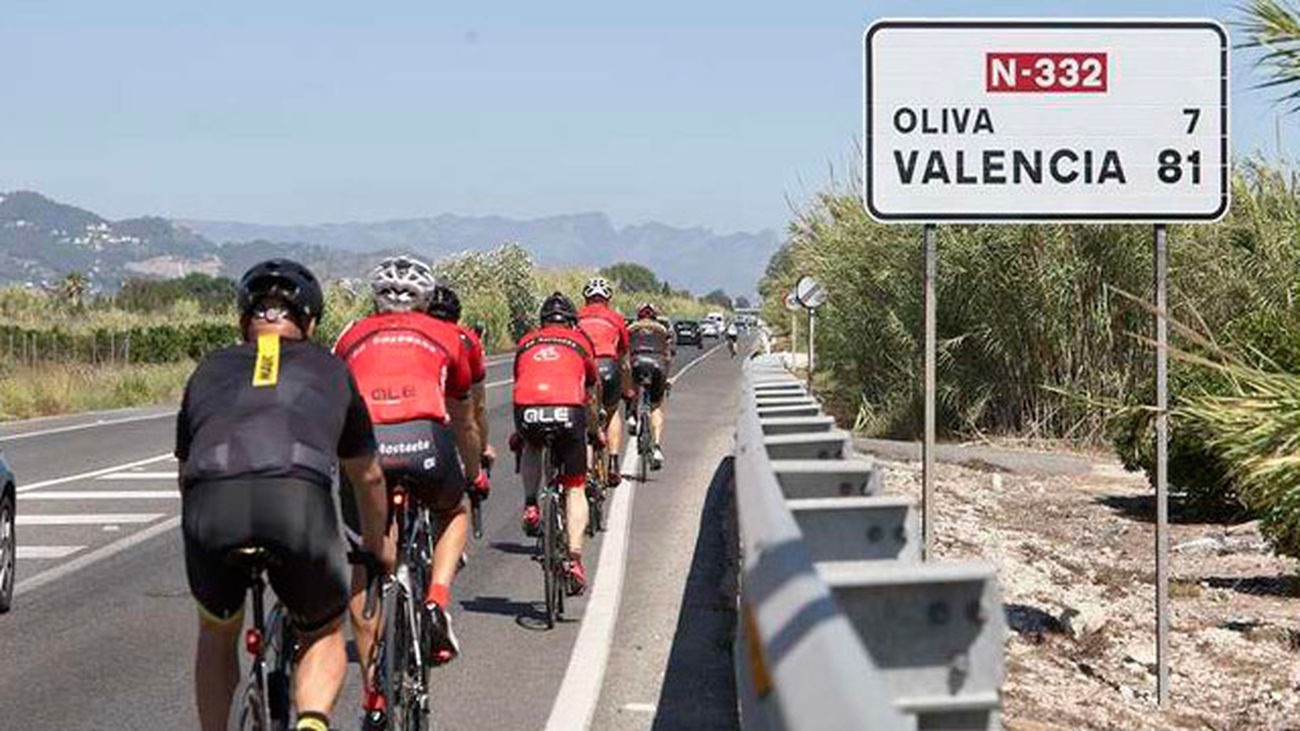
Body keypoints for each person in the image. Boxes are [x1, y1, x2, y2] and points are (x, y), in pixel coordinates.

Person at [177, 259, 392, 731]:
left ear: (242, 320)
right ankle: (312, 724)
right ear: (311, 322)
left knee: (217, 632)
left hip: (211, 504)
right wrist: (376, 545)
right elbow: (369, 476)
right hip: (297, 503)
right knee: (322, 634)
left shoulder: (208, 369)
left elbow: (185, 471)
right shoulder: (332, 369)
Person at [333, 256, 482, 688]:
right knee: (454, 511)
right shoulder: (446, 334)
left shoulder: (351, 335)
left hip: (366, 447)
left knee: (366, 555)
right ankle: (436, 599)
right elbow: (464, 418)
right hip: (425, 441)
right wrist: (471, 474)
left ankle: (373, 695)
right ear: (426, 299)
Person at [512, 292, 600, 594]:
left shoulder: (526, 341)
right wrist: (594, 430)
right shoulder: (581, 342)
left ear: (542, 321)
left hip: (527, 409)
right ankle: (575, 559)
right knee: (575, 486)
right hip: (569, 411)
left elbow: (520, 381)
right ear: (572, 322)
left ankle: (531, 504)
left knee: (531, 445)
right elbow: (590, 393)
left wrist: (519, 432)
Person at [426, 284, 494, 490]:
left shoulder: (414, 334)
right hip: (451, 406)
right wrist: (482, 448)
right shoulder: (466, 339)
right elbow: (478, 405)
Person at [576, 276, 631, 486]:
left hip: (586, 367)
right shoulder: (616, 318)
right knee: (612, 412)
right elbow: (625, 361)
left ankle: (588, 471)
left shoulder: (577, 316)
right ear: (607, 299)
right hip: (610, 367)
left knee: (584, 419)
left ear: (585, 298)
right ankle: (614, 463)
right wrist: (627, 390)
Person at [627, 302, 675, 470]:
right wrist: (667, 378)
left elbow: (624, 351)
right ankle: (656, 447)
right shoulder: (662, 329)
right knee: (656, 406)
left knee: (631, 385)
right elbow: (669, 354)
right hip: (657, 364)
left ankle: (632, 416)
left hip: (637, 361)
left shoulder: (631, 328)